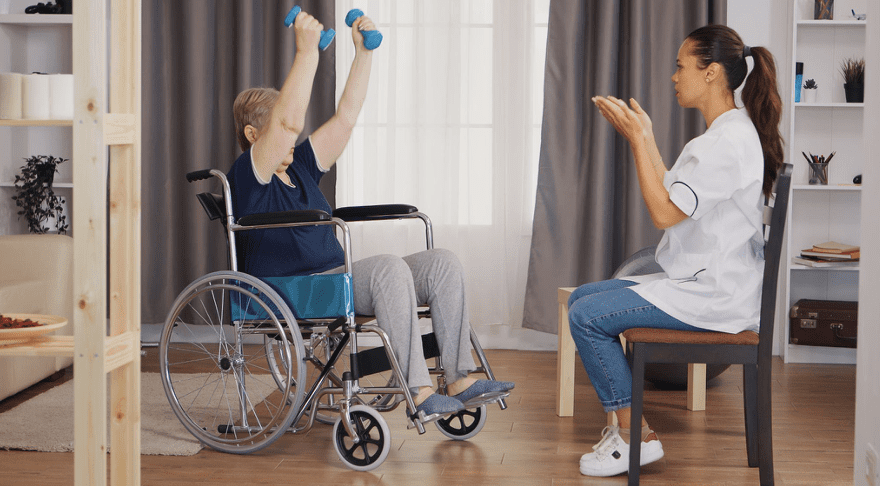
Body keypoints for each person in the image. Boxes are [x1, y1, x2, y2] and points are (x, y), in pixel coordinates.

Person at [227, 9, 513, 420]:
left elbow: (346, 116)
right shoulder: (250, 175)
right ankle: (419, 390)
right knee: (387, 268)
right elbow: (288, 124)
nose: (290, 135)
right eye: (277, 131)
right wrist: (307, 52)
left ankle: (460, 379)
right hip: (292, 291)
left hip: (334, 282)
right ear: (255, 136)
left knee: (442, 264)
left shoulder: (301, 164)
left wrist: (364, 54)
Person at [570, 24, 783, 477]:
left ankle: (636, 438)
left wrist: (637, 140)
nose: (673, 76)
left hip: (714, 294)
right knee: (581, 299)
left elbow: (664, 213)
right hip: (705, 281)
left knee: (585, 317)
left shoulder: (725, 143)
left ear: (710, 74)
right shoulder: (725, 134)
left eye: (681, 66)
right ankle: (629, 431)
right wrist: (644, 137)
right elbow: (675, 193)